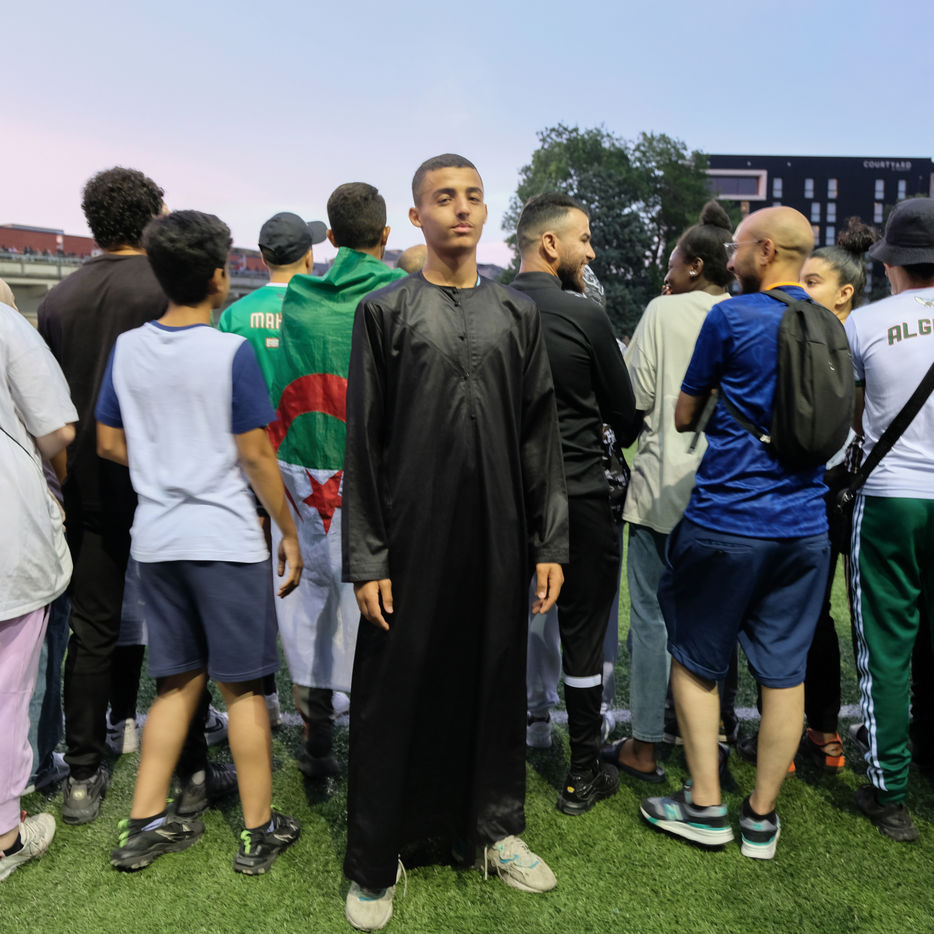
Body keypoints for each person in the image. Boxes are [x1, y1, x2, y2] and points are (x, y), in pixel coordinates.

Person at [341, 154, 568, 931]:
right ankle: (377, 858)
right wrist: (368, 555)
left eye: (473, 196)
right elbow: (363, 442)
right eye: (444, 198)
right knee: (394, 687)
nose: (461, 209)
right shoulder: (384, 312)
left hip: (499, 533)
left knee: (494, 677)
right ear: (417, 216)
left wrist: (549, 542)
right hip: (409, 535)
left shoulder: (517, 313)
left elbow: (540, 436)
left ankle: (495, 830)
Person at [97, 210, 303, 873]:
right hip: (225, 540)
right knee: (242, 692)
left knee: (175, 686)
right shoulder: (228, 351)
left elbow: (108, 442)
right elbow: (256, 454)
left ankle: (145, 822)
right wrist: (289, 528)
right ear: (219, 276)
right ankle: (258, 831)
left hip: (157, 540)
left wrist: (167, 465)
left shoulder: (128, 347)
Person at [640, 206, 831, 860]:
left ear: (767, 251)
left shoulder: (731, 316)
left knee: (695, 658)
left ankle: (705, 804)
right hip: (806, 525)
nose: (731, 257)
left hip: (728, 518)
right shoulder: (829, 322)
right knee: (784, 673)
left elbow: (683, 414)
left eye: (740, 246)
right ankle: (761, 818)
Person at [37, 167, 165, 824]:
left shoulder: (59, 299)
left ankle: (84, 774)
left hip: (85, 483)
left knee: (91, 629)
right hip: (162, 482)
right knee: (178, 623)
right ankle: (186, 766)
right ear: (154, 216)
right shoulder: (166, 285)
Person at [268, 183, 406, 778]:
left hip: (304, 467)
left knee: (313, 604)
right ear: (385, 235)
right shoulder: (401, 294)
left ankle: (317, 740)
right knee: (380, 597)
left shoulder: (298, 296)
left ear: (329, 237)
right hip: (376, 472)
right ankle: (379, 745)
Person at [510, 192, 638, 815]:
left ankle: (495, 758)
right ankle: (582, 773)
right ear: (550, 244)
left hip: (507, 498)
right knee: (583, 632)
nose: (590, 252)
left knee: (501, 626)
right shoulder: (583, 314)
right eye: (583, 239)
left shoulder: (488, 307)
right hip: (582, 493)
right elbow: (626, 418)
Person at [606, 201, 733, 783]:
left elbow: (633, 398)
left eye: (674, 261)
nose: (667, 270)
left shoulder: (662, 309)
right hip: (726, 489)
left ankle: (645, 744)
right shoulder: (743, 311)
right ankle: (712, 736)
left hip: (662, 483)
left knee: (651, 618)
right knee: (714, 619)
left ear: (695, 265)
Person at [845, 197, 934, 841]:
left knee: (886, 644)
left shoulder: (867, 322)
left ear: (893, 263)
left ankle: (889, 790)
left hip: (890, 496)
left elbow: (854, 419)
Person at [219, 210, 327, 728]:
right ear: (309, 255)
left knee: (257, 588)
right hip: (310, 465)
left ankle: (263, 696)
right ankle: (320, 698)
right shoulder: (318, 309)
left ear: (262, 258)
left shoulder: (235, 315)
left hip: (248, 468)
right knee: (314, 585)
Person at [0, 298, 77, 880]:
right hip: (9, 531)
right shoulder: (4, 323)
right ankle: (5, 836)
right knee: (7, 689)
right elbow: (57, 428)